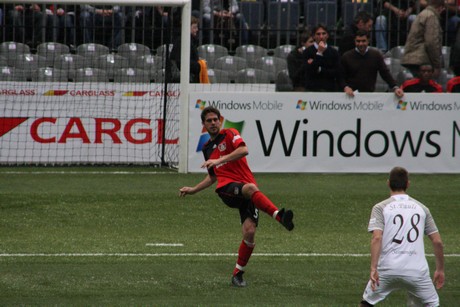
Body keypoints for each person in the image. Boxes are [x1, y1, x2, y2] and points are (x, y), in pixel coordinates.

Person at [179, 106, 294, 288]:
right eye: (208, 121)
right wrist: (194, 189)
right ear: (204, 125)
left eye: (215, 119)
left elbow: (244, 150)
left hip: (249, 192)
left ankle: (237, 274)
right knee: (250, 188)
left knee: (249, 232)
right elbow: (213, 177)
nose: (213, 123)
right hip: (227, 189)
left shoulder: (230, 133)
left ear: (220, 120)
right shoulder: (207, 148)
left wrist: (219, 160)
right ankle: (278, 216)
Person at [359, 166, 444, 307]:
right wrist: (440, 270)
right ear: (408, 184)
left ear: (388, 183)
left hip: (387, 269)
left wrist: (373, 269)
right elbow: (437, 242)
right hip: (417, 271)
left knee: (366, 303)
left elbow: (377, 238)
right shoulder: (422, 208)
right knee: (432, 302)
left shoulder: (380, 208)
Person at [341, 30, 404, 97]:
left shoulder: (376, 55)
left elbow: (385, 73)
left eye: (363, 41)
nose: (360, 44)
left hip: (369, 96)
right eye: (358, 41)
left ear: (368, 41)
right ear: (354, 41)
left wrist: (395, 87)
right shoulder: (346, 56)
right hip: (350, 96)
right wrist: (346, 87)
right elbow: (341, 76)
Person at [401, 0, 445, 78]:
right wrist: (437, 65)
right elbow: (431, 43)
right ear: (440, 8)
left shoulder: (422, 14)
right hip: (422, 61)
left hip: (413, 58)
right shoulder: (432, 16)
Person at [303, 24, 343, 92]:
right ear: (313, 36)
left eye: (323, 33)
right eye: (318, 34)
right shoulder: (307, 52)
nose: (321, 36)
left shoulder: (334, 52)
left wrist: (319, 69)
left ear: (327, 35)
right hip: (312, 89)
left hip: (329, 89)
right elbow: (309, 71)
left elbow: (336, 72)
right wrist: (319, 53)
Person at [170, 16, 202, 83]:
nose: (197, 30)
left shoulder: (190, 41)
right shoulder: (182, 41)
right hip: (184, 79)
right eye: (194, 27)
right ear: (187, 28)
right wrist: (199, 65)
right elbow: (181, 61)